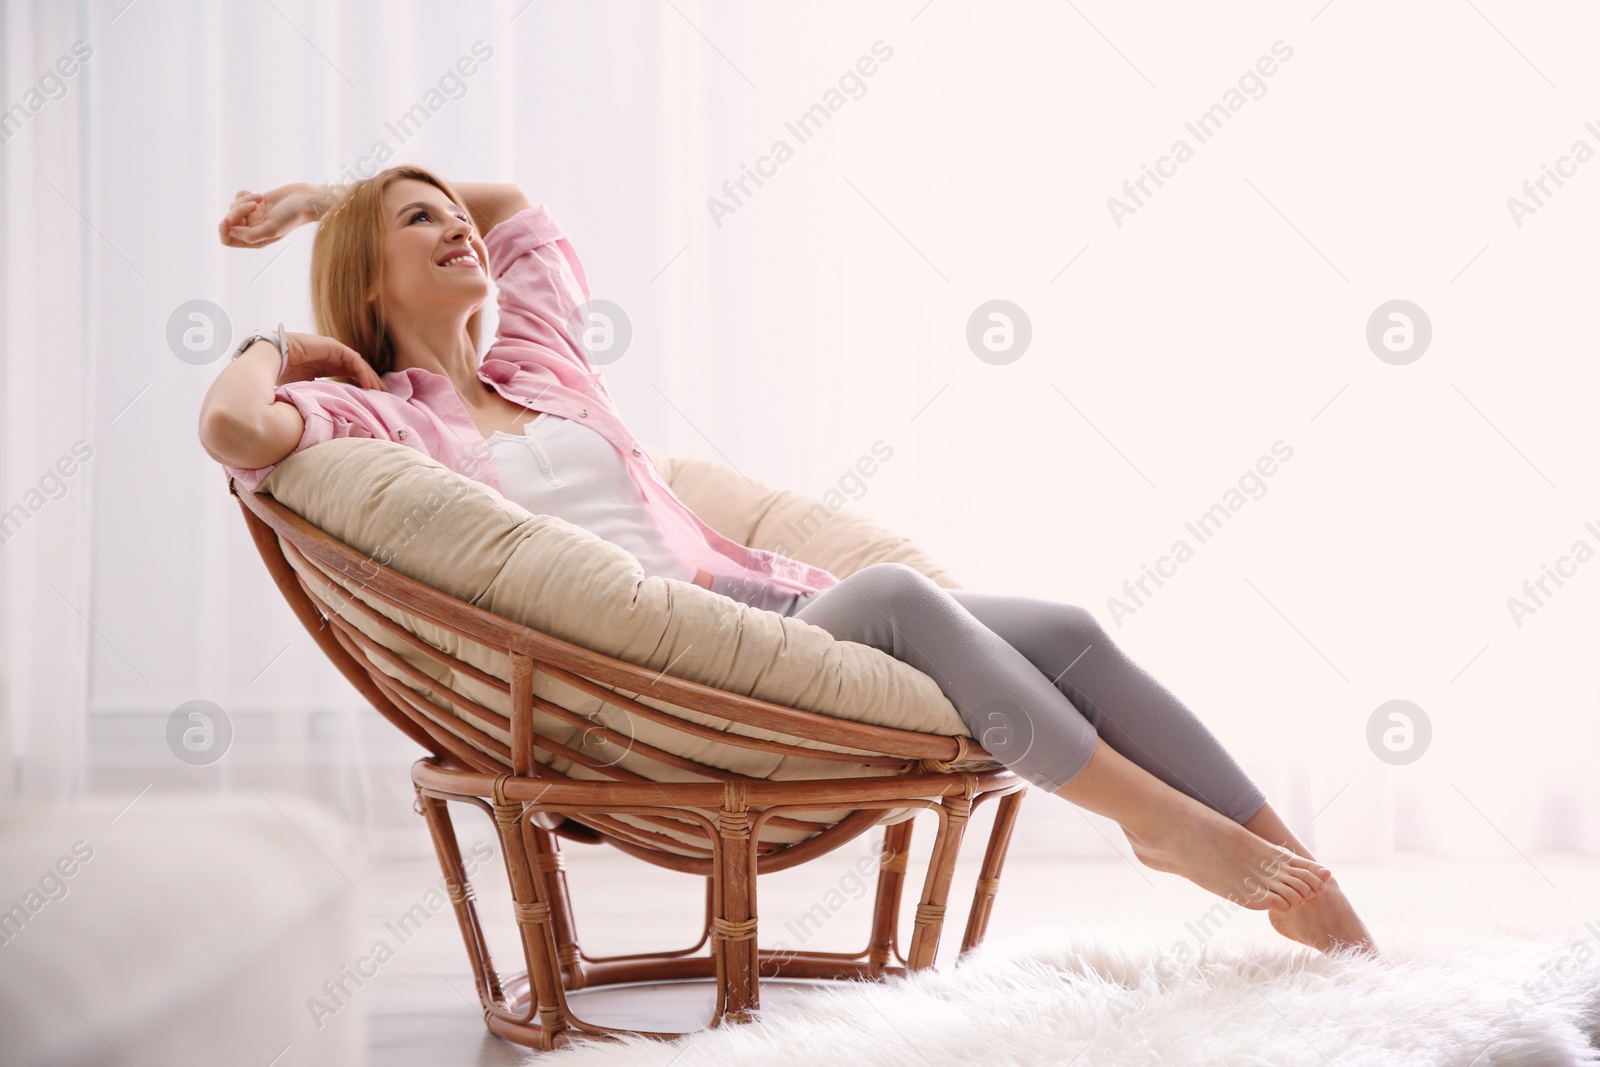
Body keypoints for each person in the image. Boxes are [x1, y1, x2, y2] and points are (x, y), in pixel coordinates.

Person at [200, 165, 1378, 957]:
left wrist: (329, 193)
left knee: (1064, 626)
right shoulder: (389, 418)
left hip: (755, 611)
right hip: (659, 671)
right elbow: (235, 432)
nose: (459, 224)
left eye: (449, 213)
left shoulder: (540, 366)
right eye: (419, 222)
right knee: (906, 599)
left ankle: (1300, 876)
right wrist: (285, 342)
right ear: (369, 280)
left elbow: (508, 200)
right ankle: (1161, 822)